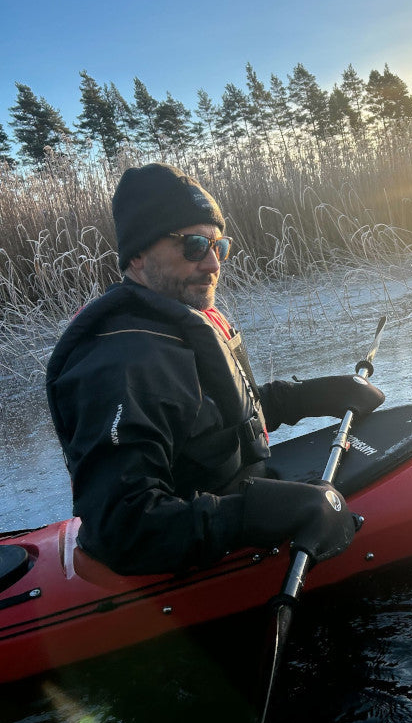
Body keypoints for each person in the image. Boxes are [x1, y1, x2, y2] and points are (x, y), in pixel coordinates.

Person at [46, 163, 384, 575]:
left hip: (236, 488)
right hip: (187, 558)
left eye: (218, 246)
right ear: (137, 254)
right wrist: (250, 516)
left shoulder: (180, 321)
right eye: (193, 246)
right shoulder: (121, 363)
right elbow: (122, 527)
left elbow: (218, 422)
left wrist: (312, 396)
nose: (212, 263)